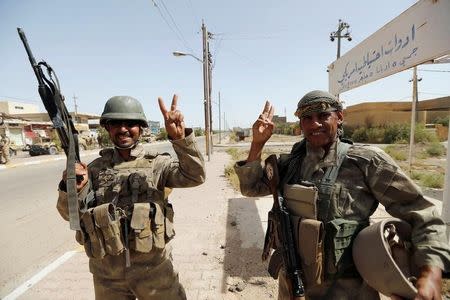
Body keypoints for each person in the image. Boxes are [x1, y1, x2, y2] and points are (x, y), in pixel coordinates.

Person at [234, 90, 450, 299]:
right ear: (301, 124)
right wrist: (257, 144)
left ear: (339, 117)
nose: (315, 123)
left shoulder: (366, 161)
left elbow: (423, 213)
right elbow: (251, 187)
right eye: (307, 118)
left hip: (351, 291)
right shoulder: (289, 163)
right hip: (293, 284)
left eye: (323, 115)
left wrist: (430, 273)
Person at [57, 95, 205, 300]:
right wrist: (70, 187)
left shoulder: (158, 165)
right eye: (116, 123)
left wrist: (180, 140)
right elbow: (69, 215)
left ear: (141, 128)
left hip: (154, 272)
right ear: (107, 128)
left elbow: (195, 176)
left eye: (131, 123)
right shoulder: (93, 170)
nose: (123, 129)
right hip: (107, 276)